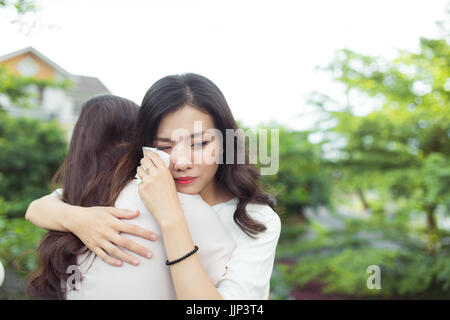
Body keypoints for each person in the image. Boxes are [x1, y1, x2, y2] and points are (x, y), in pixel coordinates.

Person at [27, 73, 281, 299]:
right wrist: (78, 218)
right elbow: (39, 207)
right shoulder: (133, 189)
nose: (181, 162)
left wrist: (171, 217)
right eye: (164, 147)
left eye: (200, 144)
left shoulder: (255, 220)